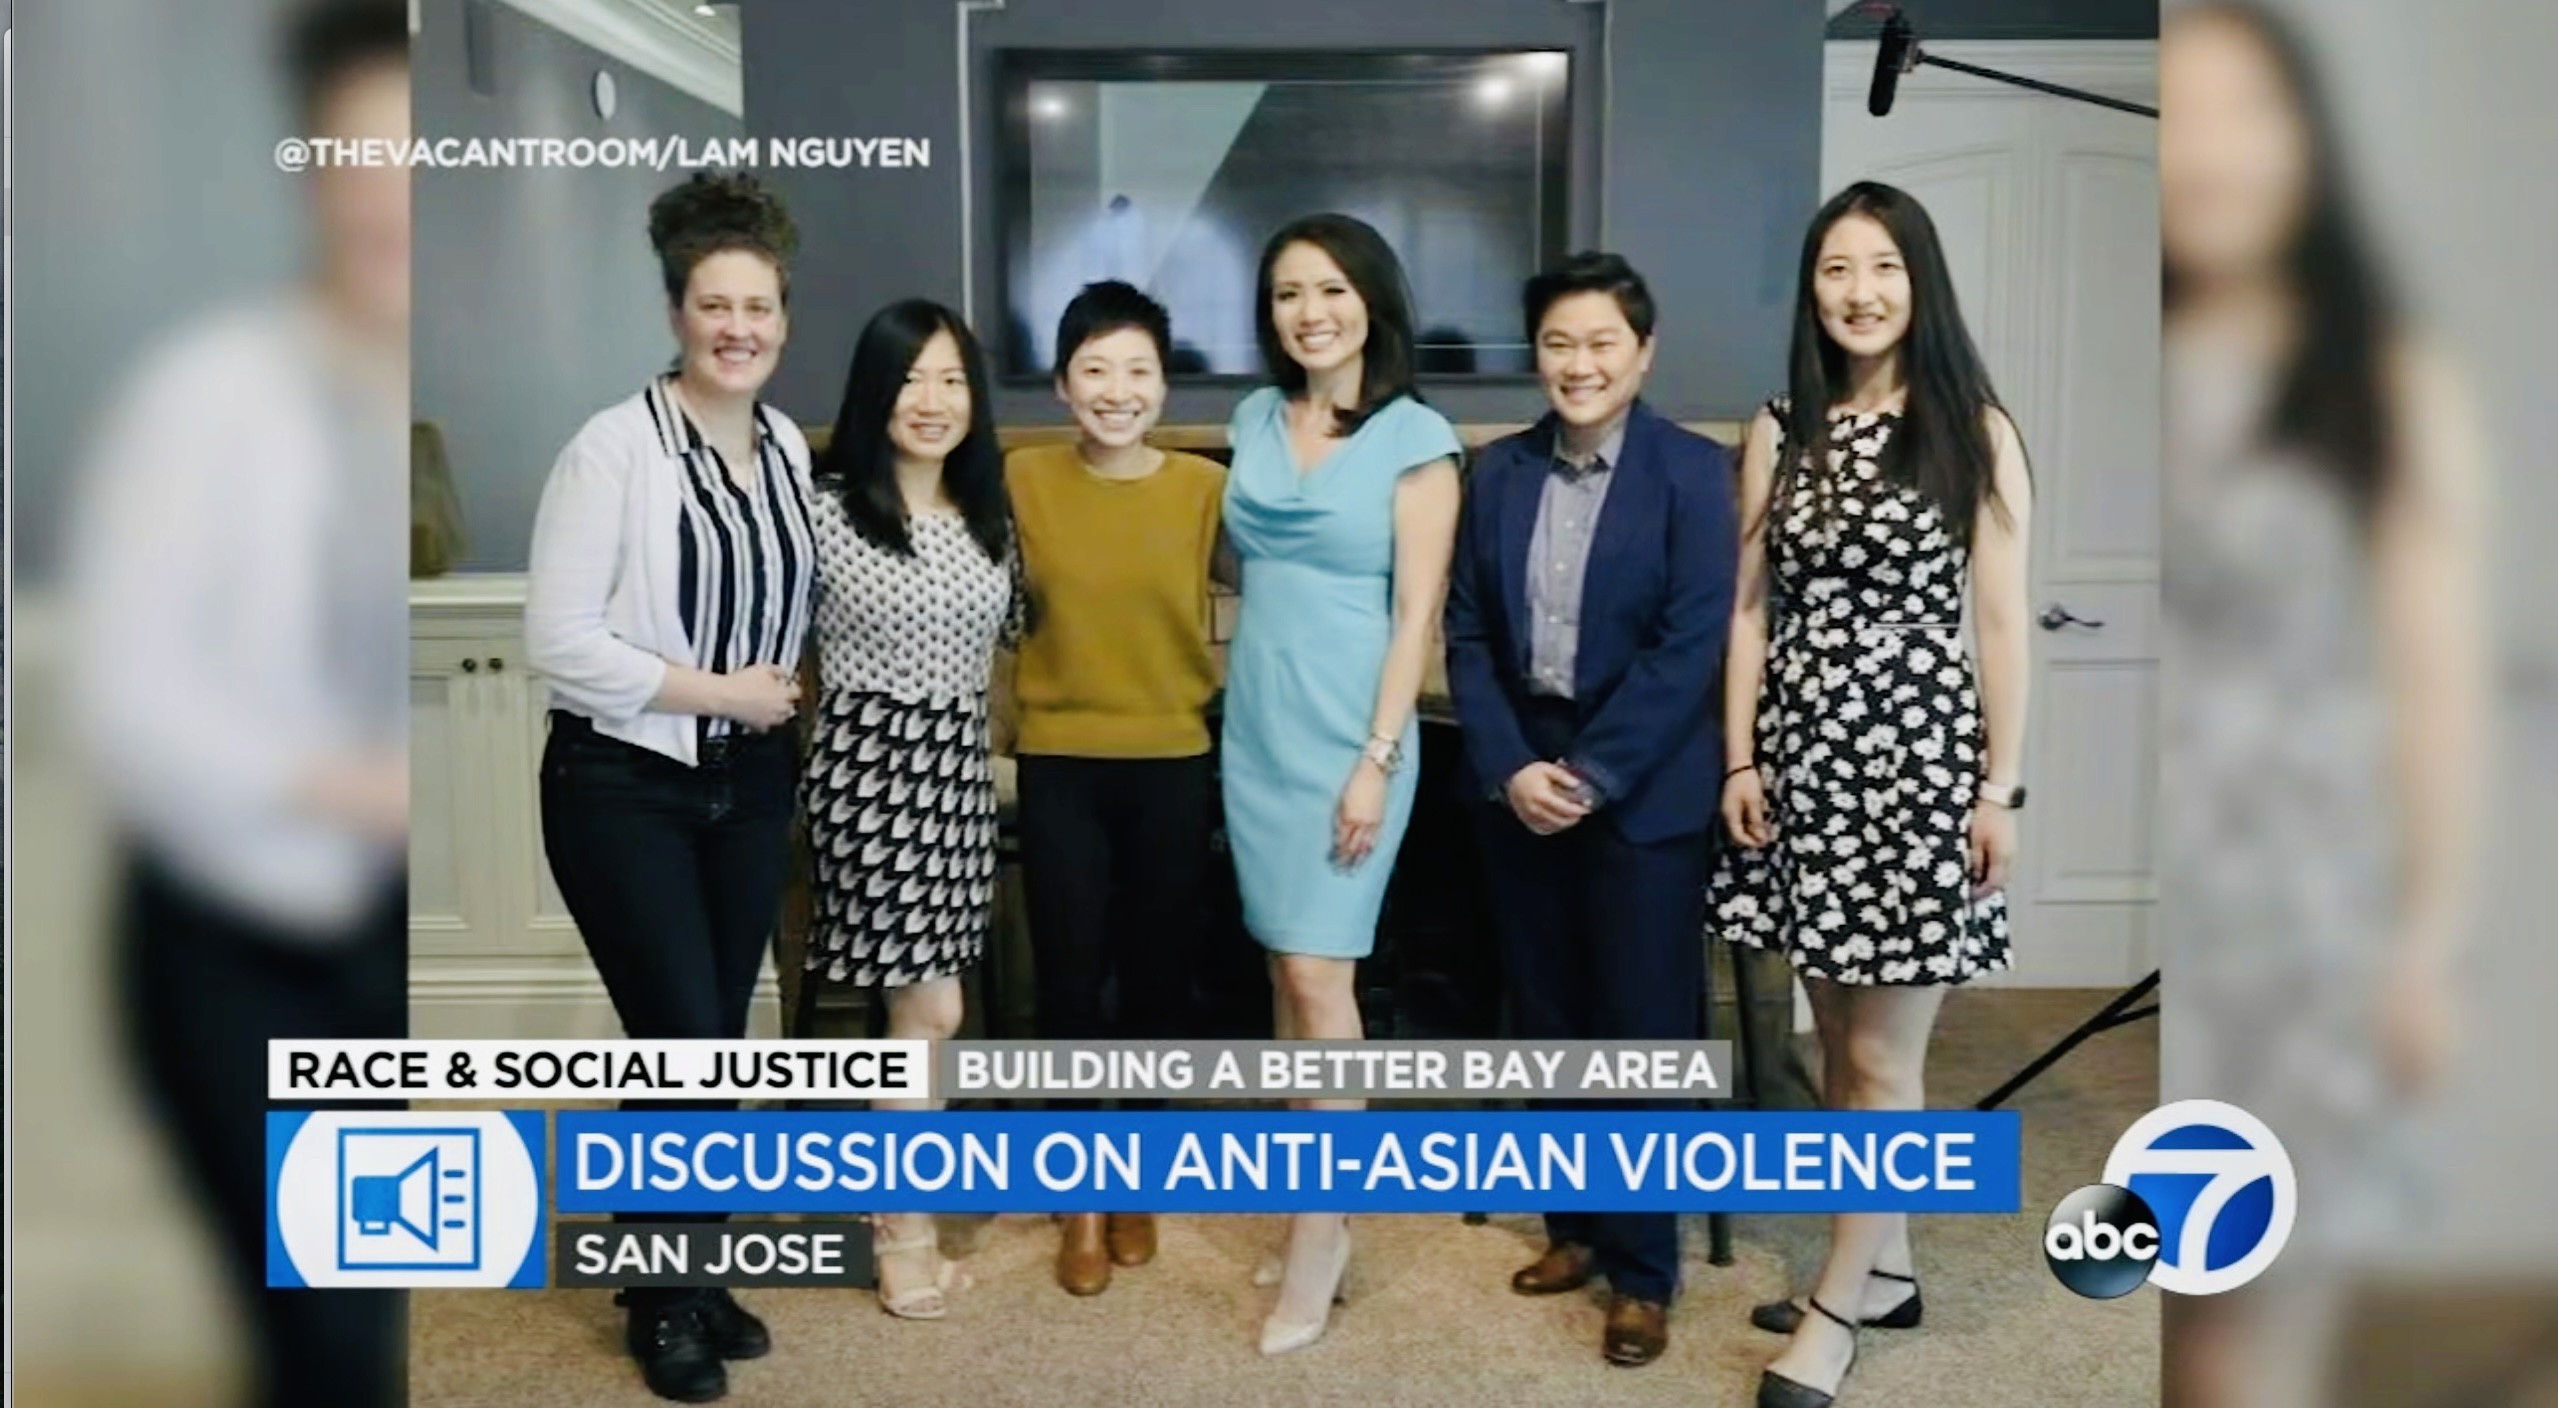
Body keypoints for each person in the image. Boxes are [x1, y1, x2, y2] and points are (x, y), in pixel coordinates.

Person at [68, 3, 412, 1403]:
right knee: (322, 1338)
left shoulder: (419, 406)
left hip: (391, 938)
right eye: (359, 156)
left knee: (379, 1303)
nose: (389, 195)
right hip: (240, 942)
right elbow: (126, 691)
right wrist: (339, 785)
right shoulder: (208, 397)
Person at [2160, 6, 2485, 1405]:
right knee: (2170, 1289)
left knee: (2261, 1317)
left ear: (2306, 142)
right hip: (2179, 886)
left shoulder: (2386, 378)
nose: (2207, 153)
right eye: (2180, 117)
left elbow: (2435, 678)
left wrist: (2426, 940)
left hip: (2306, 912)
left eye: (2244, 112)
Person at [1707, 182, 2034, 1408]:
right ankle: (1881, 1269)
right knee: (1836, 1044)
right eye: (1835, 268)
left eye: (1883, 266)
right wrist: (1740, 759)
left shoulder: (1973, 428)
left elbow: (1998, 622)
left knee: (1884, 1057)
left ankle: (1834, 1313)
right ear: (1811, 289)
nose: (1859, 291)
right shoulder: (1778, 427)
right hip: (1803, 762)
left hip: (1915, 767)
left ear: (1918, 281)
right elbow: (1749, 611)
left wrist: (1997, 787)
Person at [523, 171, 813, 1403]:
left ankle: (686, 1267)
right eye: (714, 305)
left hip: (749, 785)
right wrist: (720, 692)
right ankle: (662, 1298)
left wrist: (762, 714)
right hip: (622, 784)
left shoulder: (785, 445)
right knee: (682, 1042)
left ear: (783, 317)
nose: (737, 327)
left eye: (758, 306)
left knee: (712, 1045)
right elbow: (558, 640)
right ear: (675, 312)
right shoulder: (613, 448)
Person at [1442, 252, 1737, 1367]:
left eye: (1601, 342)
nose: (1579, 364)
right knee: (1551, 1018)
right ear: (1536, 356)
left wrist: (1593, 773)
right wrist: (1513, 765)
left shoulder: (1691, 472)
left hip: (1642, 788)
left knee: (1641, 1031)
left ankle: (1643, 1270)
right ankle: (1573, 1227)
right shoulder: (1497, 471)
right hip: (1520, 784)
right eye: (1559, 344)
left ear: (1642, 352)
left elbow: (1690, 642)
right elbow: (1468, 632)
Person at [1220, 213, 1464, 1355]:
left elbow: (1415, 618)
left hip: (1350, 740)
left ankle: (1323, 1236)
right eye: (1286, 293)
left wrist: (1376, 760)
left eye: (1329, 289)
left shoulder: (1417, 439)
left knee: (1323, 981)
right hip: (1257, 727)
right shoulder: (1251, 419)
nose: (1309, 312)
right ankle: (1307, 1205)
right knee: (1285, 969)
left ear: (1372, 299)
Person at [804, 299, 1024, 1321]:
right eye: (909, 379)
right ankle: (902, 1237)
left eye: (951, 380)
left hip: (955, 772)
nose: (931, 400)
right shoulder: (825, 509)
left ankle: (899, 1216)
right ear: (873, 392)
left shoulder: (988, 516)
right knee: (926, 1012)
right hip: (871, 769)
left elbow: (1005, 648)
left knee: (927, 1011)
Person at [1004, 280, 1225, 1296]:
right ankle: (1079, 1194)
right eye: (1094, 368)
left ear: (1163, 384)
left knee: (1156, 981)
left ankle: (1135, 1172)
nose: (1117, 389)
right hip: (1060, 760)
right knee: (1068, 980)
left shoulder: (1202, 488)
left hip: (1172, 757)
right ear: (1062, 384)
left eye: (1138, 369)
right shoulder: (1022, 479)